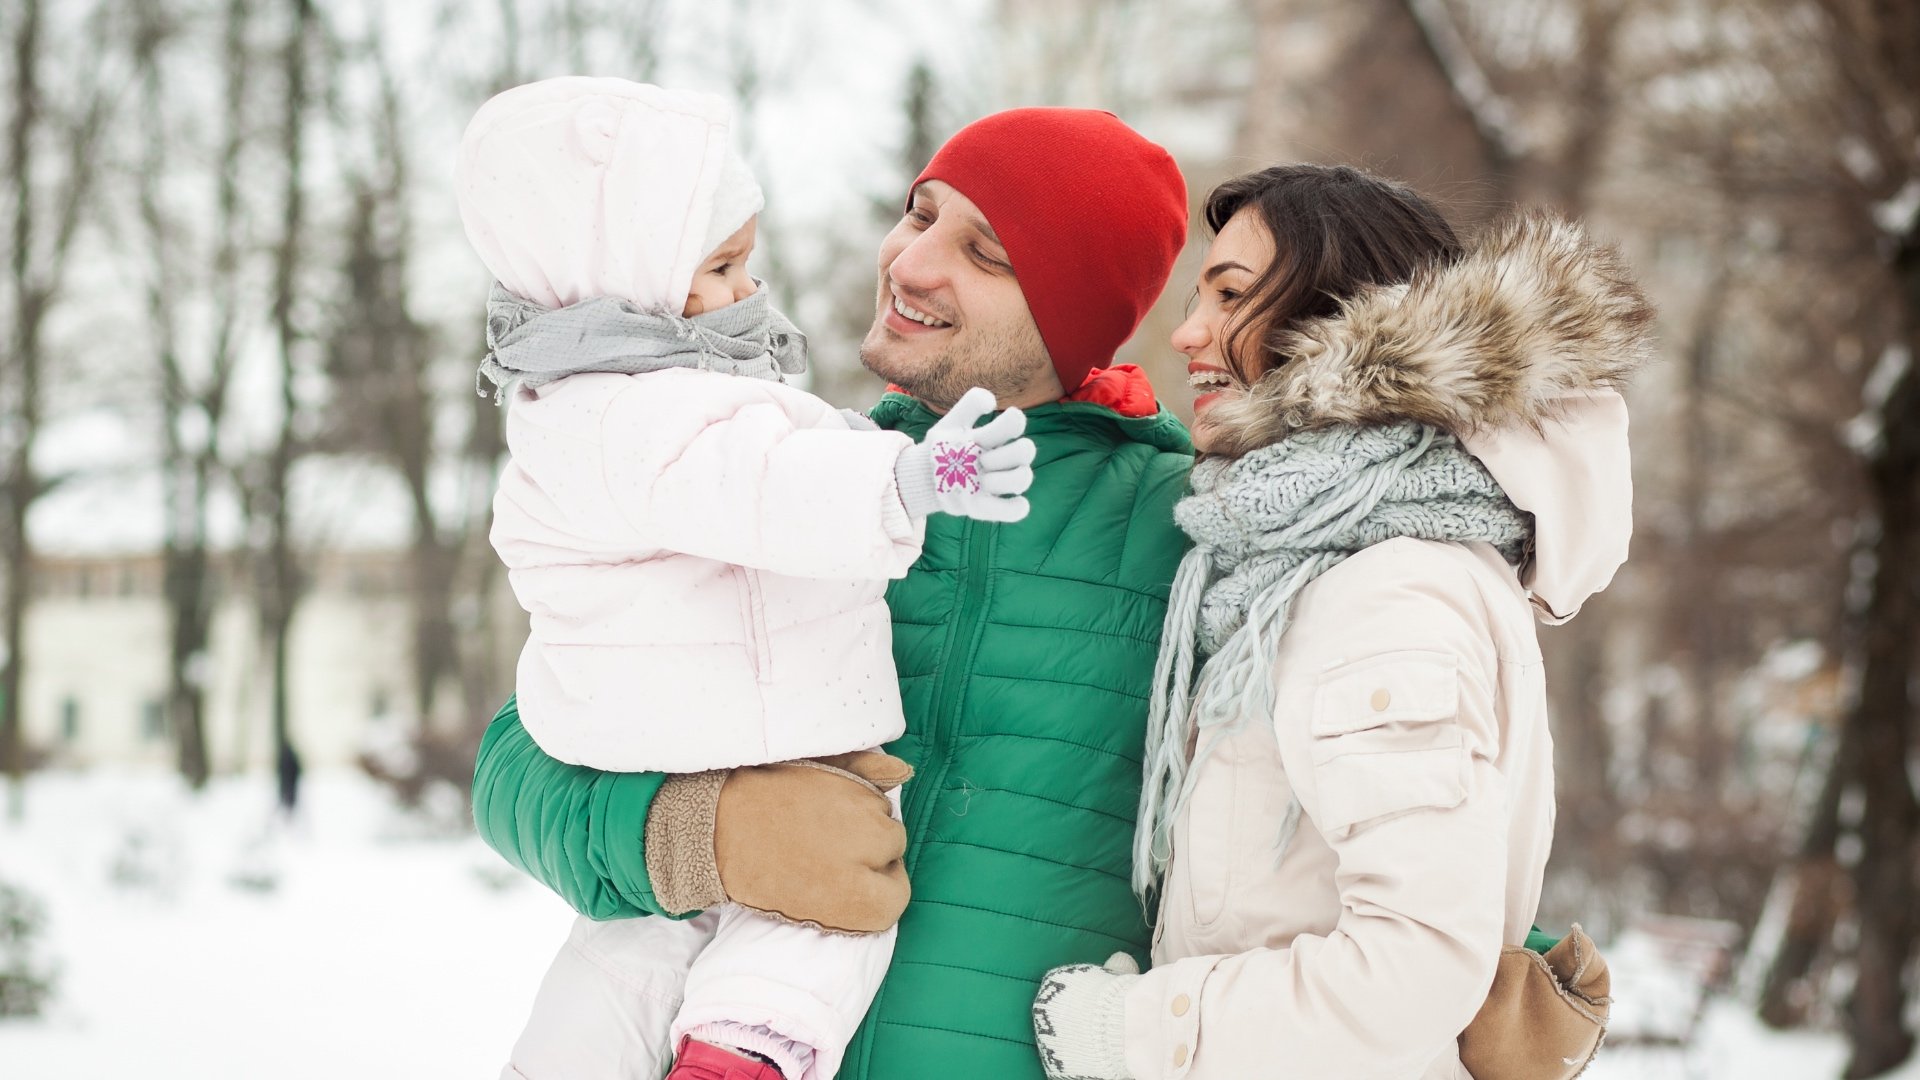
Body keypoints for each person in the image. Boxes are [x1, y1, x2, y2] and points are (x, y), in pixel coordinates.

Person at [471, 106, 1198, 1080]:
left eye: (985, 253)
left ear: (1076, 307)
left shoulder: (1182, 530)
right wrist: (700, 835)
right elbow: (519, 764)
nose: (910, 262)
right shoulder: (778, 476)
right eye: (918, 213)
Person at [1028, 164, 1652, 1079]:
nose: (1187, 332)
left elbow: (1417, 964)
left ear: (1348, 324)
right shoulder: (1320, 557)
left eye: (1230, 294)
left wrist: (1130, 1031)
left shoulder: (1384, 584)